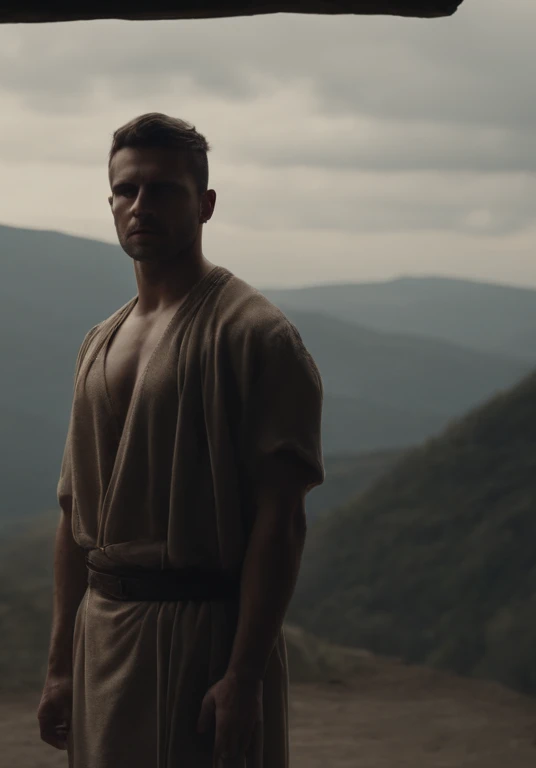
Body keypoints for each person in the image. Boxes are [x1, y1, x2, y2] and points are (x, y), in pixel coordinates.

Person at [36, 113, 325, 768]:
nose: (140, 206)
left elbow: (281, 520)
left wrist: (244, 676)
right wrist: (59, 664)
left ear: (206, 203)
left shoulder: (254, 335)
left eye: (163, 189)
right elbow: (73, 514)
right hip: (102, 636)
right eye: (125, 190)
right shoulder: (99, 341)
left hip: (205, 638)